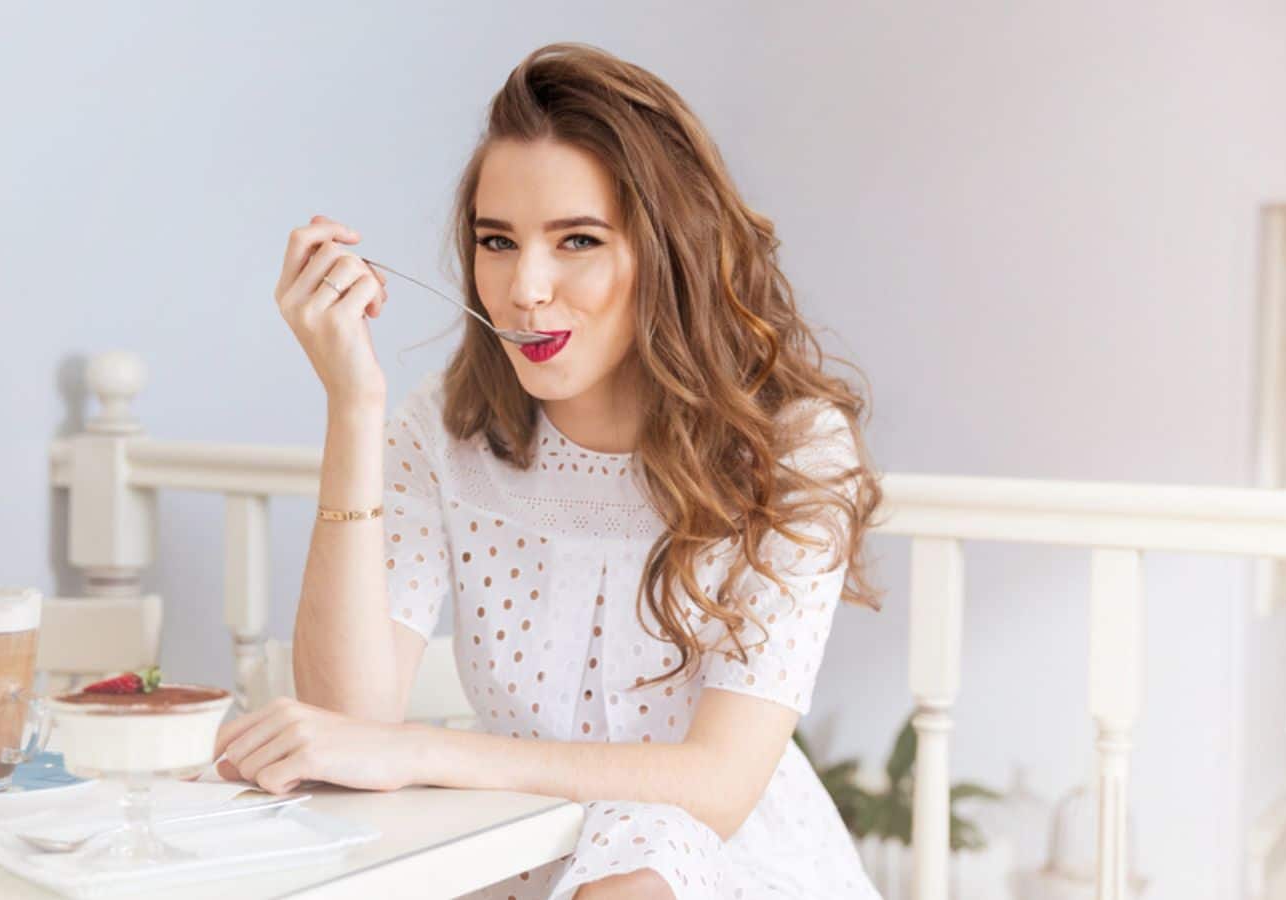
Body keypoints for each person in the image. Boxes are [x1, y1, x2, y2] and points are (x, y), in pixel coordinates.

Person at [214, 42, 885, 900]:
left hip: (723, 868)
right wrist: (353, 404)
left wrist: (421, 750)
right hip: (521, 857)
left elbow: (718, 788)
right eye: (499, 241)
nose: (524, 289)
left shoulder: (792, 448)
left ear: (667, 251)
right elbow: (351, 723)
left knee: (649, 849)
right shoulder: (443, 429)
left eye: (576, 240)